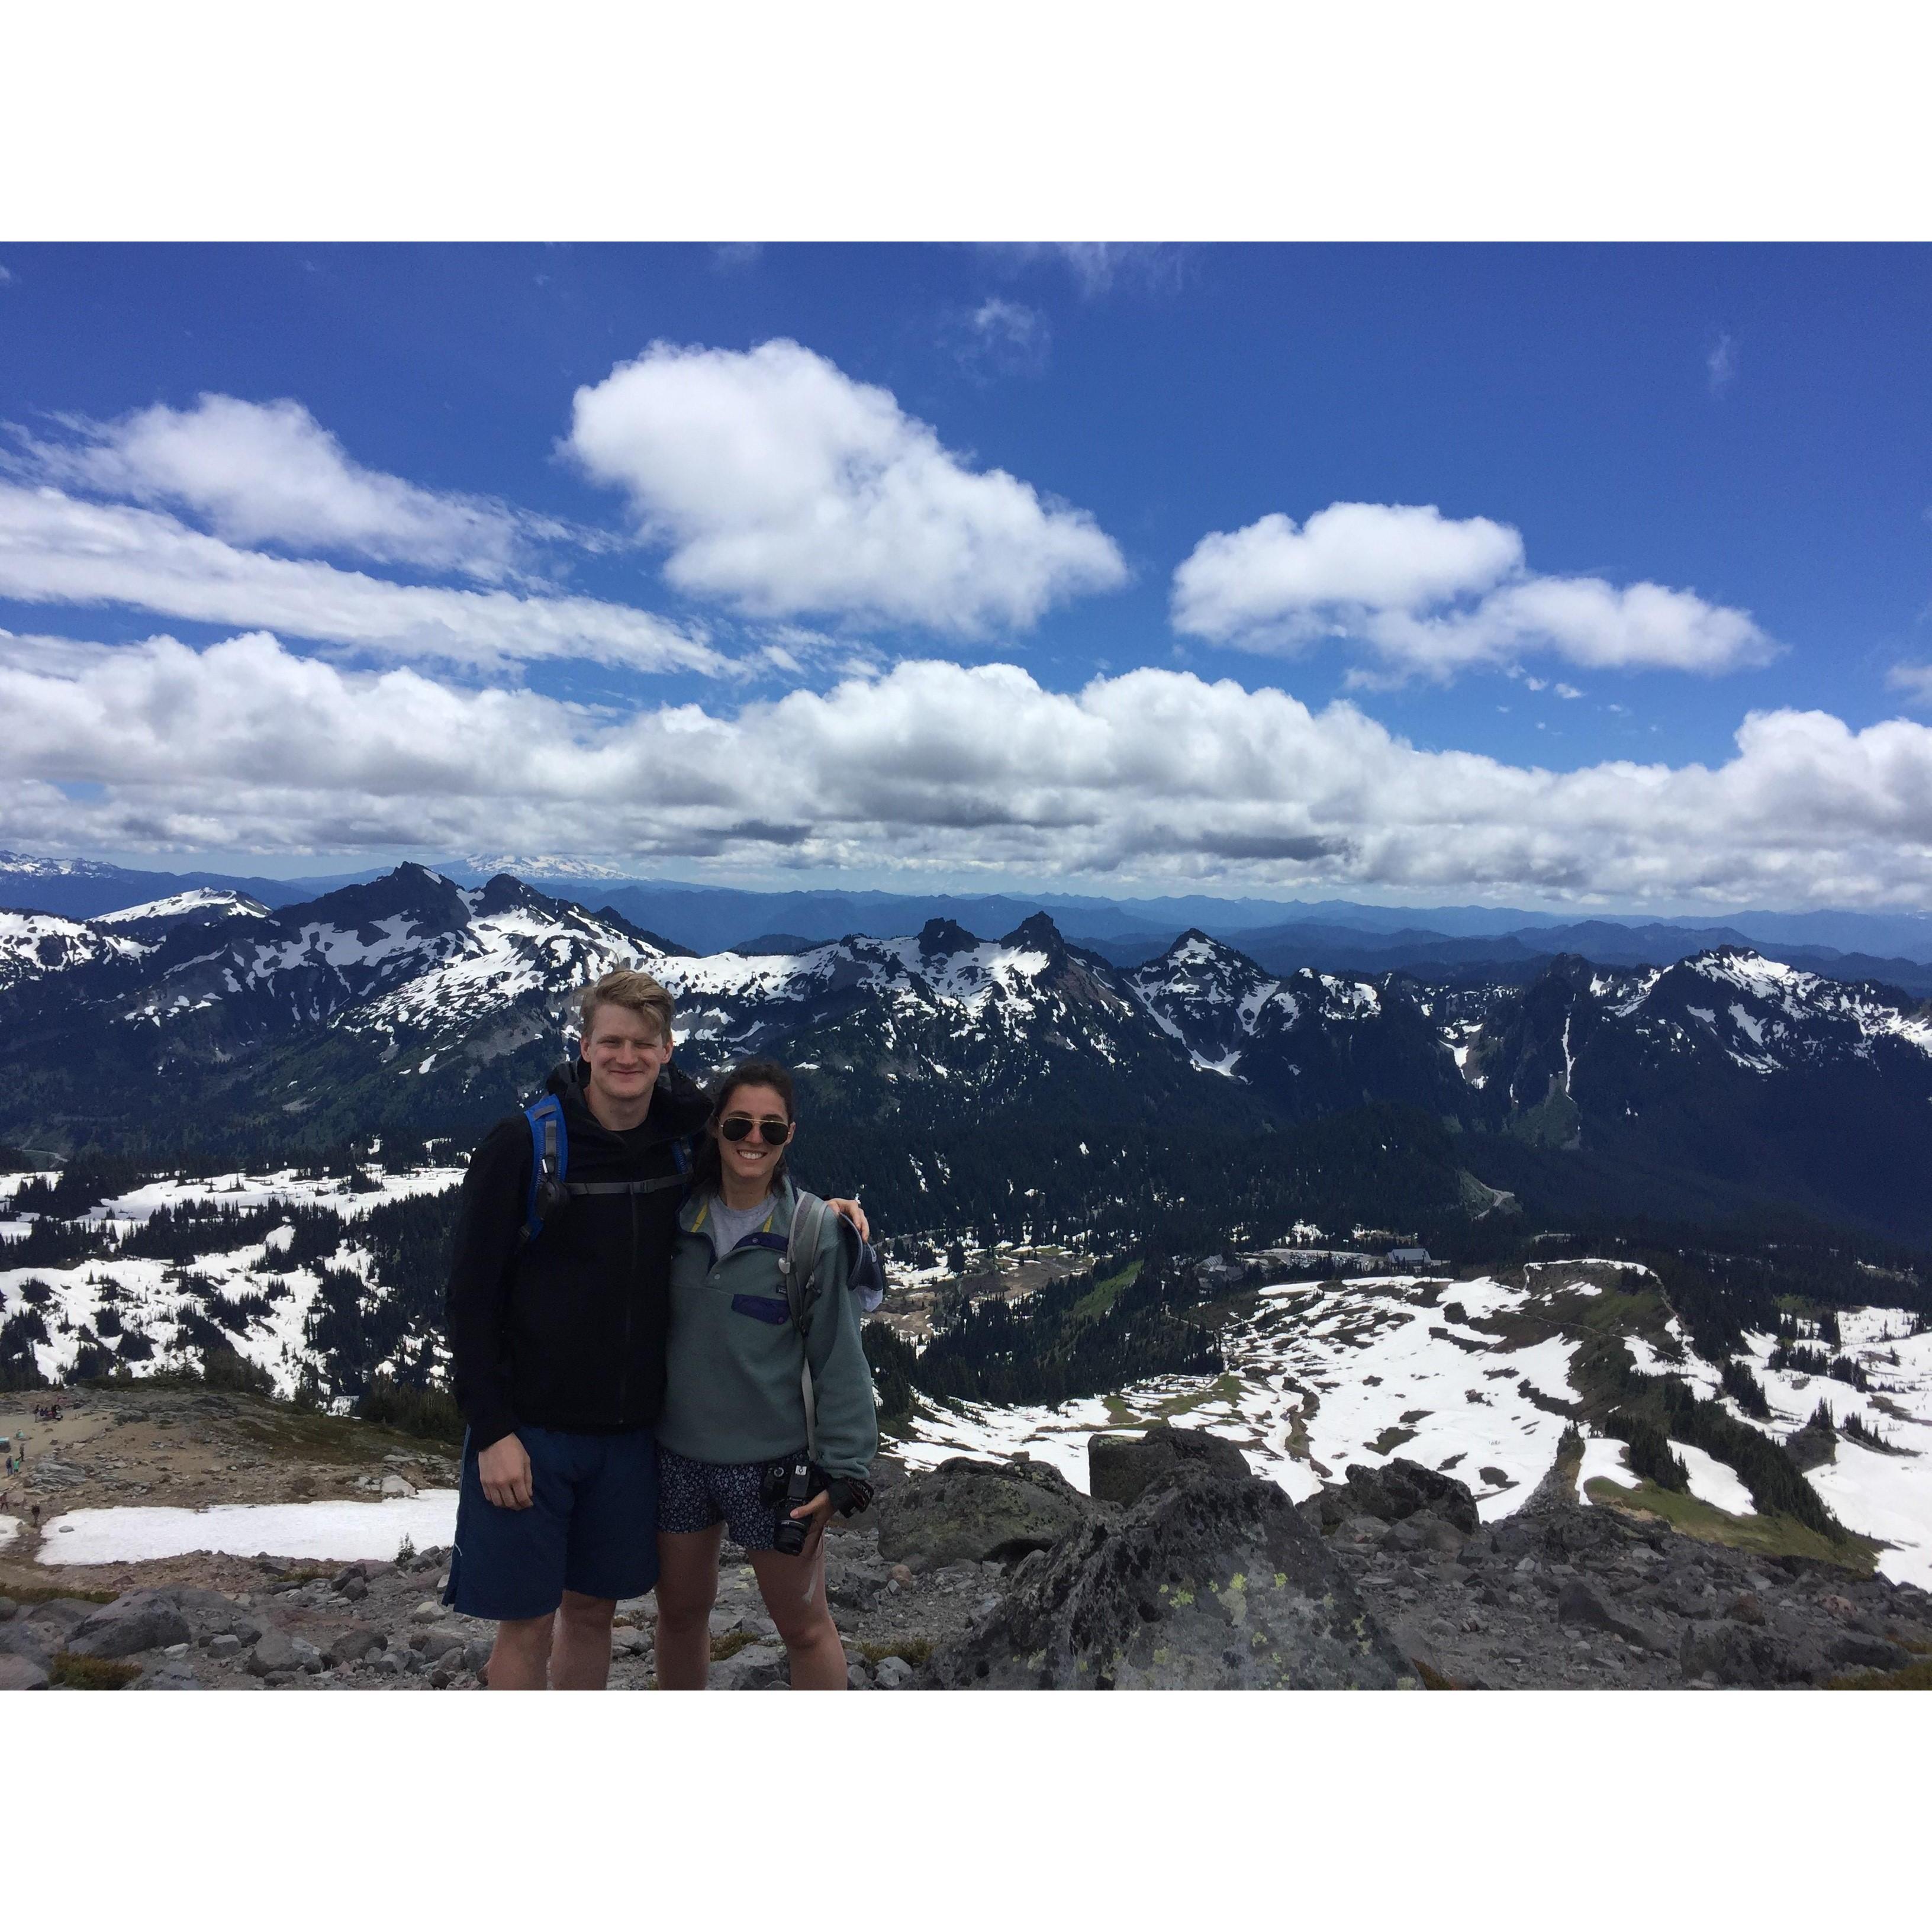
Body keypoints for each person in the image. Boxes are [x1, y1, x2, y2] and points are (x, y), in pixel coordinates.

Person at [442, 969, 867, 1690]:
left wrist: (825, 1215)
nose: (626, 1057)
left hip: (633, 1440)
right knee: (528, 1623)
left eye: (644, 1043)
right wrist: (492, 1431)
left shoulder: (677, 1139)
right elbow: (468, 1297)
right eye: (611, 1041)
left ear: (668, 1051)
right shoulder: (526, 1143)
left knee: (591, 1611)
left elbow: (754, 1165)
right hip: (537, 1435)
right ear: (584, 1046)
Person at [653, 1059, 878, 1691]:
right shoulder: (673, 1217)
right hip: (677, 1456)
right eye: (740, 1124)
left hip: (776, 1468)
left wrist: (845, 1470)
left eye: (771, 1130)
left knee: (804, 1625)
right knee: (678, 1616)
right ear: (716, 1129)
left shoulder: (815, 1234)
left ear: (790, 1137)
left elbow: (839, 1356)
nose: (754, 1140)